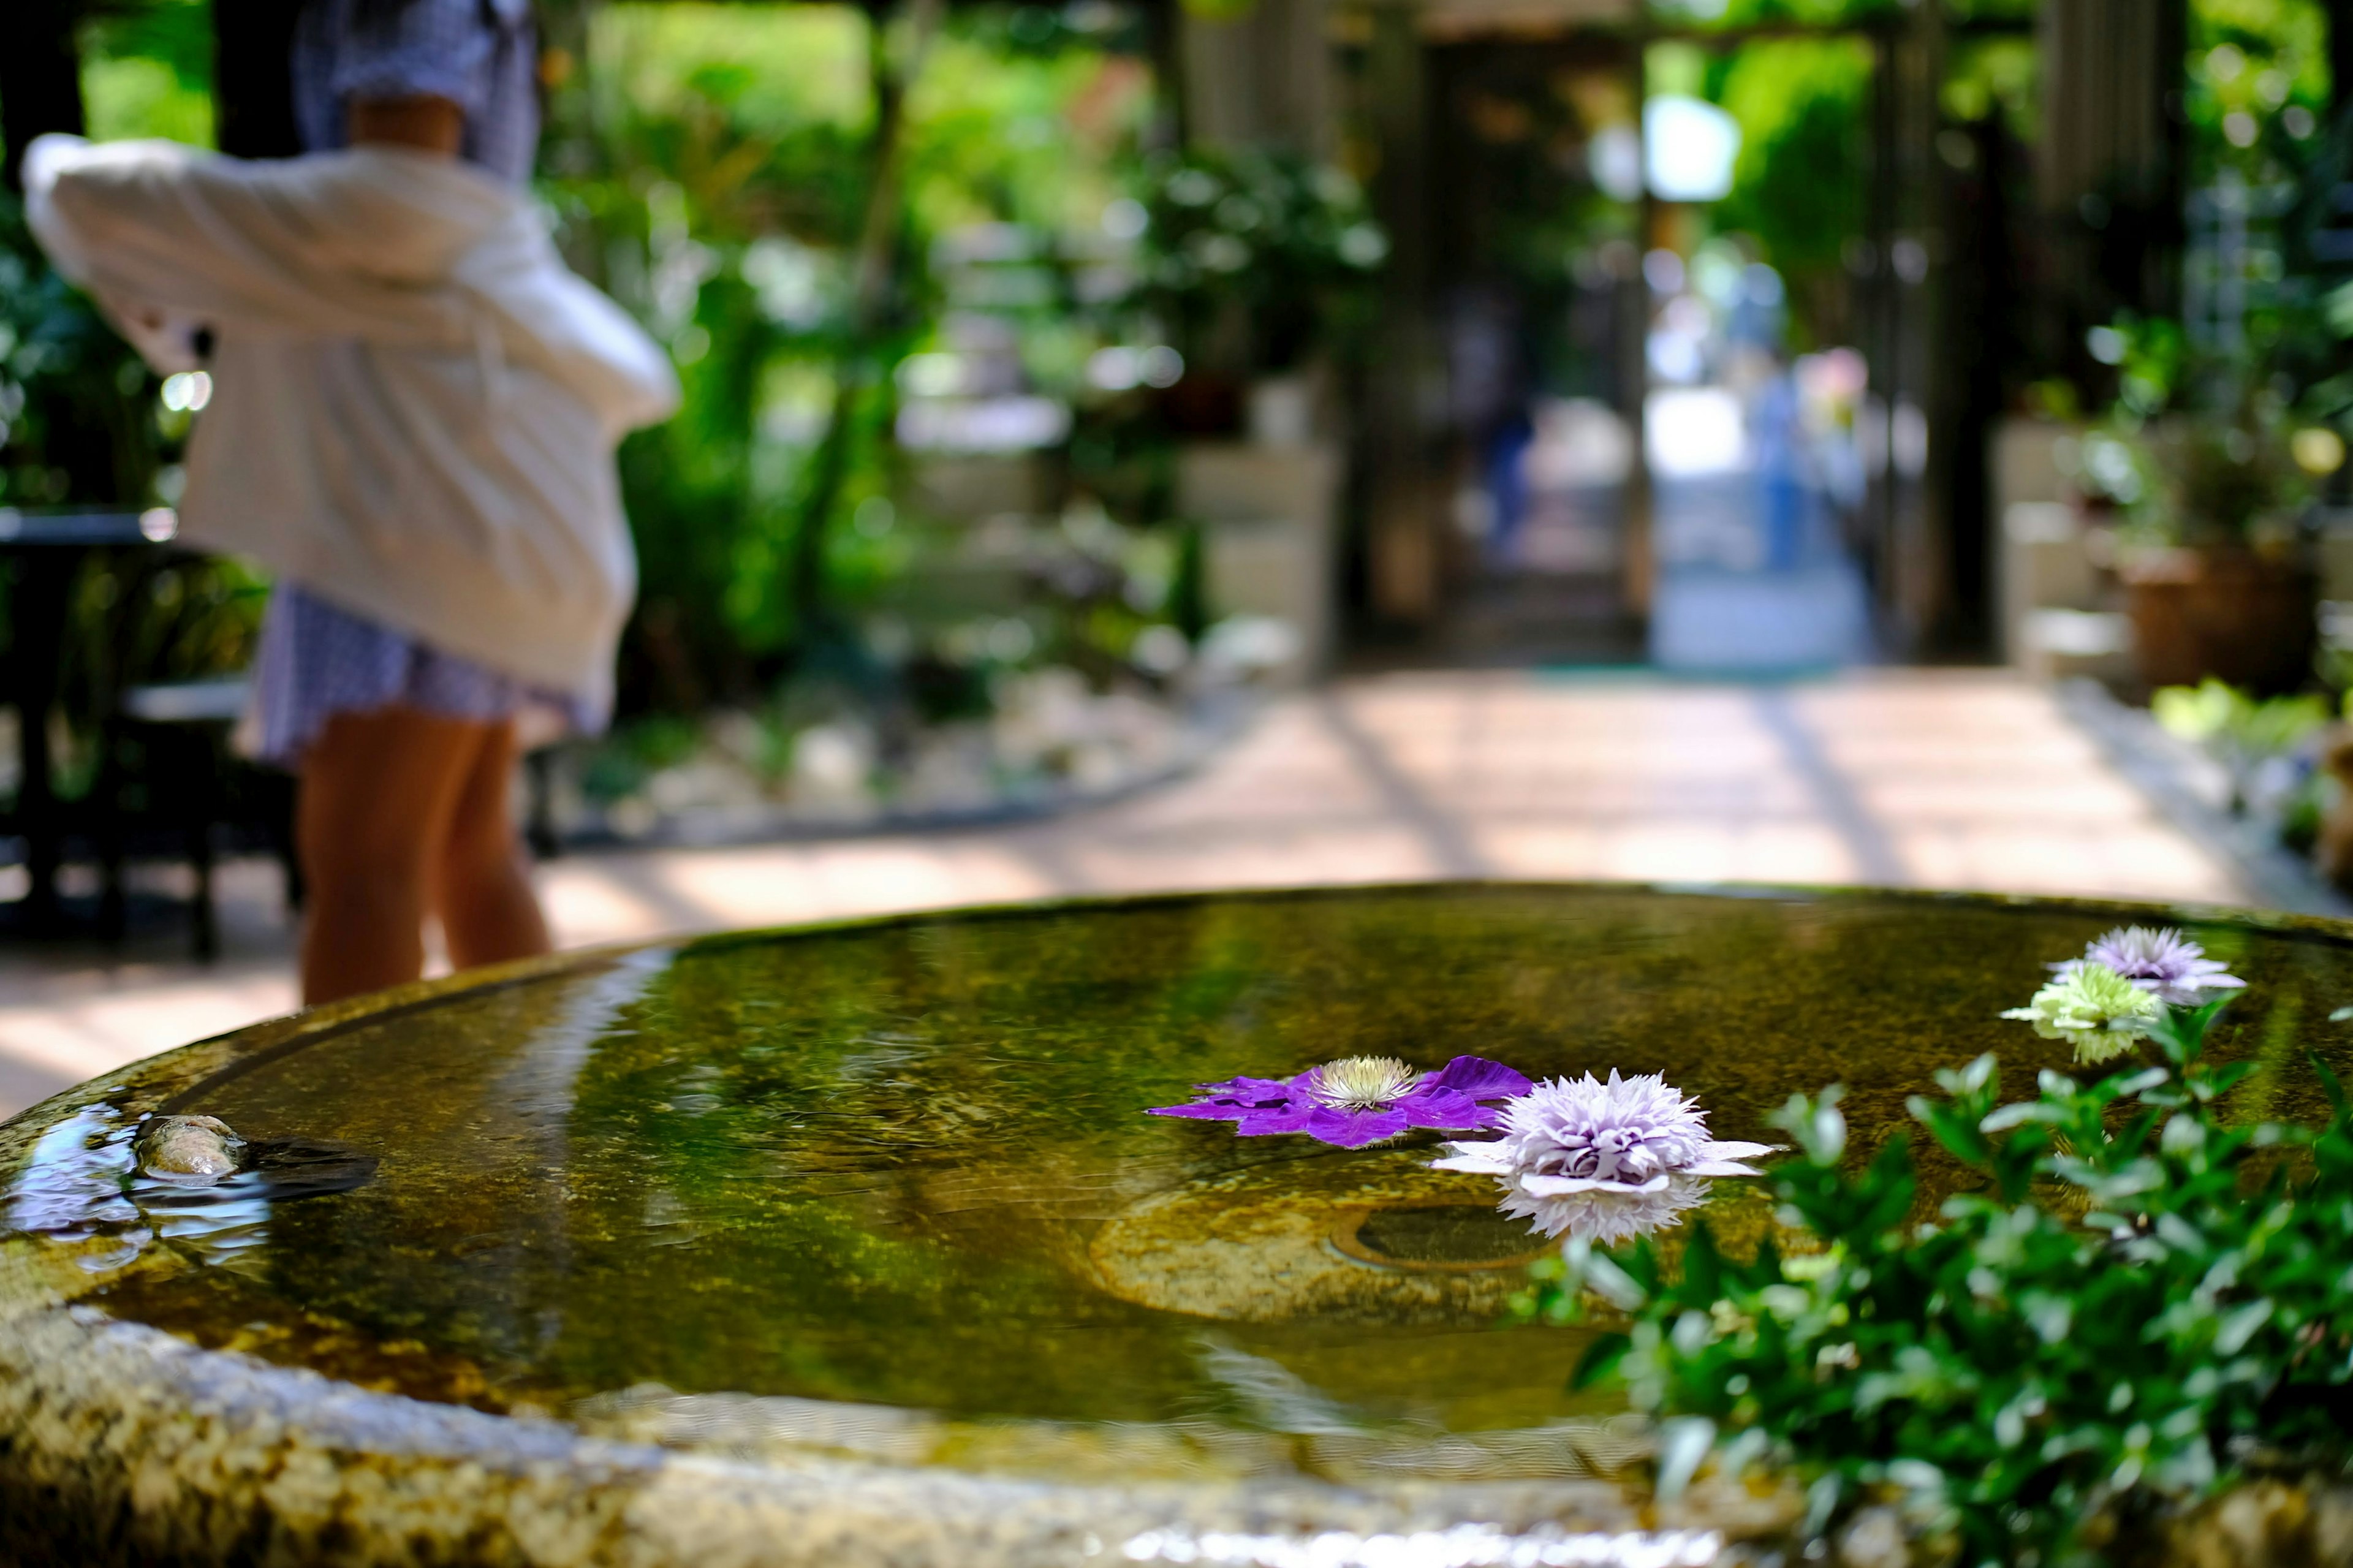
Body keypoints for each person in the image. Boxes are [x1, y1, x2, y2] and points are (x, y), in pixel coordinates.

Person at [25, 0, 678, 1006]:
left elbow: (395, 211)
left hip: (420, 494)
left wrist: (92, 191)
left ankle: (348, 1162)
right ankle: (533, 1145)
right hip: (463, 479)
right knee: (467, 844)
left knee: (365, 863)